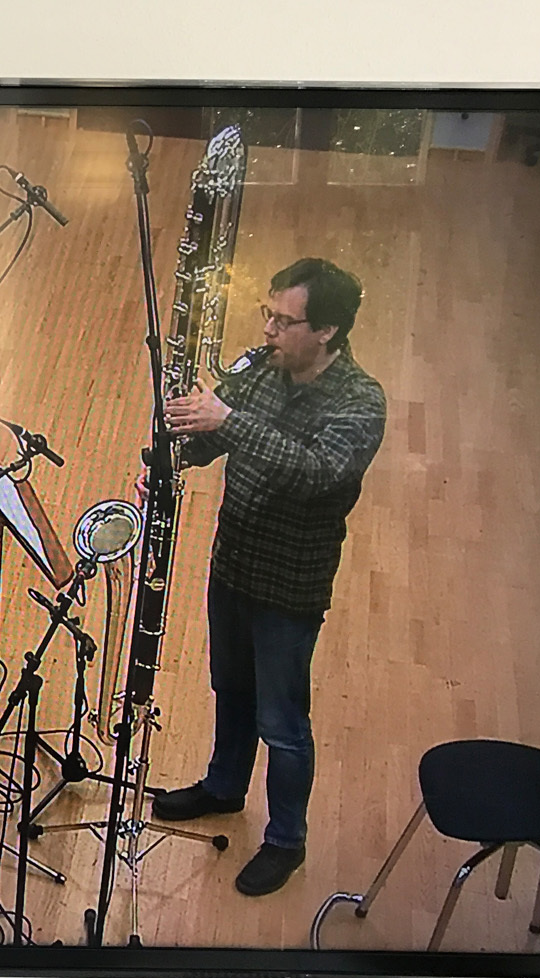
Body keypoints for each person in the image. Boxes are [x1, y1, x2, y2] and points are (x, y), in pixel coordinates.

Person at [147, 258, 386, 896]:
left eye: (286, 321)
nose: (271, 330)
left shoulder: (361, 404)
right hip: (234, 563)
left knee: (282, 720)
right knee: (231, 687)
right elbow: (212, 439)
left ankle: (286, 839)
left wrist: (229, 421)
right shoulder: (263, 369)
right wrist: (178, 446)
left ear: (328, 331)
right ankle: (225, 787)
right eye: (268, 315)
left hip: (290, 585)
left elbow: (316, 473)